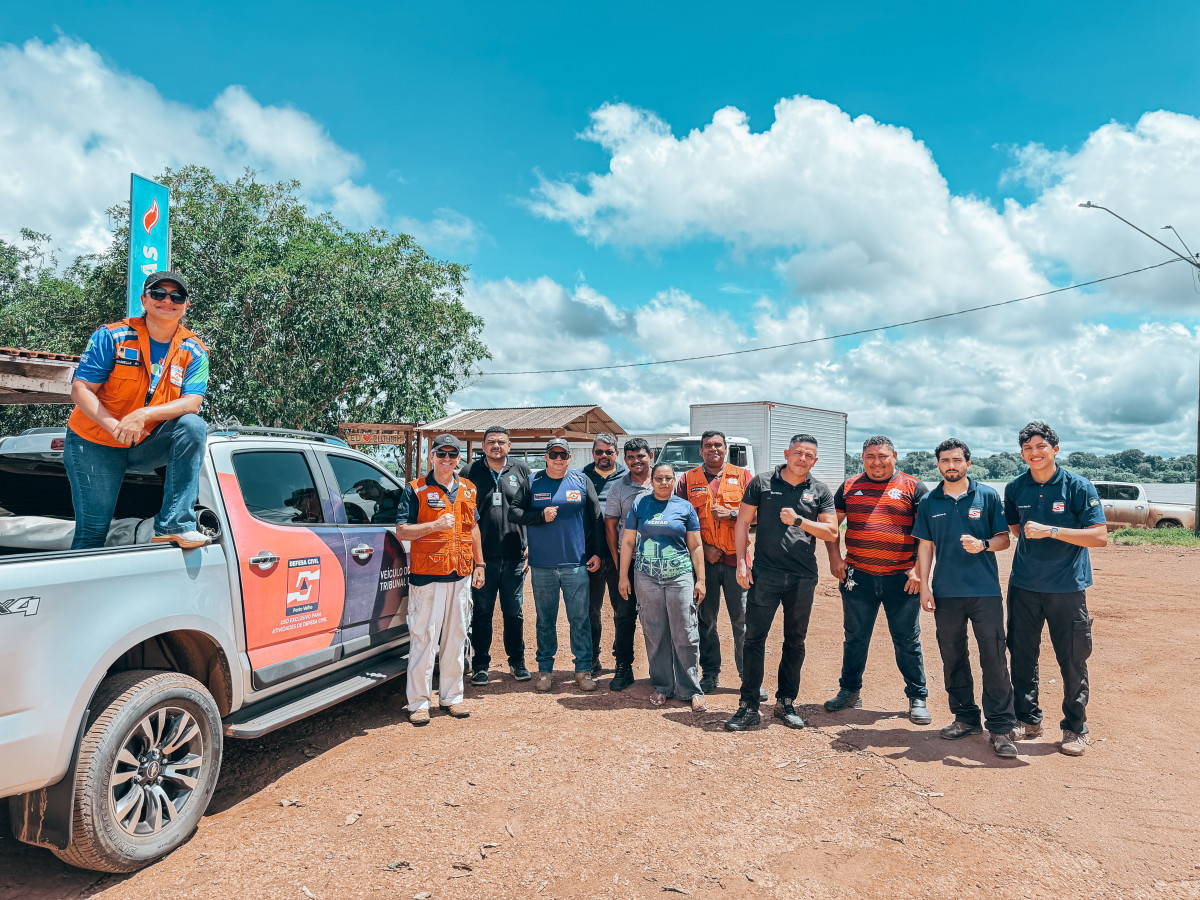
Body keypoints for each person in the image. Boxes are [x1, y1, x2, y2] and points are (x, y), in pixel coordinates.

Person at [64, 270, 211, 550]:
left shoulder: (194, 349)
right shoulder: (113, 336)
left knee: (193, 425)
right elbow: (81, 390)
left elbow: (191, 403)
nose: (167, 301)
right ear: (144, 300)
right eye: (159, 293)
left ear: (186, 305)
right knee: (93, 532)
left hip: (145, 441)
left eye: (177, 296)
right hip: (95, 442)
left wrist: (142, 416)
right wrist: (116, 427)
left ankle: (175, 525)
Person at [1004, 421, 1107, 757]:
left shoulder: (1078, 486)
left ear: (1055, 450)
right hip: (1024, 586)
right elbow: (1016, 529)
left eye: (1040, 447)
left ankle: (1075, 728)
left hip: (1067, 588)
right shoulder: (1015, 488)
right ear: (1022, 453)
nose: (1034, 453)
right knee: (1022, 655)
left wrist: (1051, 530)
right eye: (1027, 448)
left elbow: (1099, 536)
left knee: (1072, 658)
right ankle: (1027, 720)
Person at [913, 439, 1018, 758]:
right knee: (953, 656)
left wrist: (983, 545)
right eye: (945, 461)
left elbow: (1004, 540)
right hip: (946, 593)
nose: (951, 465)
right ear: (938, 465)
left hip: (985, 592)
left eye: (957, 460)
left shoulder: (987, 495)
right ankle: (966, 718)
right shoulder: (929, 501)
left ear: (968, 464)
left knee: (994, 657)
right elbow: (925, 546)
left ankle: (1001, 727)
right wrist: (924, 585)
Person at [725, 434, 838, 731]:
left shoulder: (820, 490)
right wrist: (741, 561)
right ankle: (748, 705)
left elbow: (831, 532)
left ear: (815, 460)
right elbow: (742, 522)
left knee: (795, 641)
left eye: (809, 455)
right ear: (787, 453)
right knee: (754, 638)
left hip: (803, 577)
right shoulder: (762, 483)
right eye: (798, 452)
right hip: (765, 574)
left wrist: (799, 521)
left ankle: (785, 702)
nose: (803, 458)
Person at [824, 435, 932, 724]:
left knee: (907, 640)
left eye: (882, 456)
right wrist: (835, 558)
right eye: (870, 456)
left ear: (894, 456)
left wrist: (918, 571)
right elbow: (831, 526)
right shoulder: (849, 487)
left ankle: (917, 696)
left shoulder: (914, 487)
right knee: (855, 637)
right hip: (858, 577)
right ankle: (849, 691)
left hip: (902, 578)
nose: (876, 462)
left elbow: (927, 535)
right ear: (862, 458)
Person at [395, 434, 485, 725]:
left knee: (456, 637)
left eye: (452, 454)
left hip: (460, 574)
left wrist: (480, 563)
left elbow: (472, 528)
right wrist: (434, 525)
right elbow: (402, 531)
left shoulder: (468, 488)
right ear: (431, 456)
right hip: (427, 576)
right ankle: (419, 702)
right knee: (424, 638)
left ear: (459, 458)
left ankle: (452, 698)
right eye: (441, 453)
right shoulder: (416, 489)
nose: (447, 459)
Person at [509, 437, 602, 692]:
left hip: (576, 564)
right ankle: (545, 671)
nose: (558, 459)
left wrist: (597, 553)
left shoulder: (582, 481)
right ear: (546, 457)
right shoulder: (533, 482)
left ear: (570, 458)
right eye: (553, 454)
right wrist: (540, 515)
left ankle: (583, 670)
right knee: (545, 620)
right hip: (543, 565)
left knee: (579, 619)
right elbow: (514, 512)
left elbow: (596, 518)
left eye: (563, 455)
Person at [675, 430, 756, 698]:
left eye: (718, 445)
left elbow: (759, 515)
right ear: (701, 450)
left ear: (726, 448)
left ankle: (748, 677)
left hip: (737, 562)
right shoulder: (688, 480)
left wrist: (732, 513)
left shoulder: (743, 477)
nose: (713, 449)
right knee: (706, 620)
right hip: (704, 563)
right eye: (708, 445)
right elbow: (679, 520)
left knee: (742, 621)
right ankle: (710, 673)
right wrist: (704, 548)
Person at [618, 463, 706, 709]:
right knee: (655, 632)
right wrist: (623, 576)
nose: (664, 483)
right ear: (652, 481)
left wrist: (701, 579)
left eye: (668, 478)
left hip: (680, 576)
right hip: (646, 577)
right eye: (659, 478)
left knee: (685, 632)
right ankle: (662, 686)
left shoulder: (685, 507)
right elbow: (628, 542)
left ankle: (691, 688)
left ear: (674, 480)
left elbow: (696, 545)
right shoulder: (640, 505)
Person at [462, 426, 531, 685]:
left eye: (501, 442)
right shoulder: (469, 472)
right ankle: (481, 666)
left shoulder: (521, 470)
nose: (496, 446)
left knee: (514, 613)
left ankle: (517, 662)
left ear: (509, 446)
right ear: (483, 446)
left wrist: (531, 545)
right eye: (491, 442)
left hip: (515, 556)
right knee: (482, 612)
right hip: (482, 559)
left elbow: (531, 509)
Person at [604, 437, 654, 691]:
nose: (636, 461)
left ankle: (662, 670)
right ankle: (623, 666)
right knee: (624, 616)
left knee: (660, 617)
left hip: (660, 564)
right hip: (629, 562)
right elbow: (611, 527)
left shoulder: (665, 481)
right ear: (625, 460)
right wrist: (619, 564)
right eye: (631, 457)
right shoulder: (618, 489)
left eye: (641, 456)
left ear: (651, 456)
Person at [583, 433, 628, 679]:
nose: (603, 456)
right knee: (592, 611)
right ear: (593, 453)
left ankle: (621, 657)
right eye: (599, 452)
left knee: (622, 610)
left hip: (620, 556)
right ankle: (592, 657)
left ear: (616, 453)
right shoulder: (581, 476)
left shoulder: (627, 477)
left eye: (609, 452)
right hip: (591, 556)